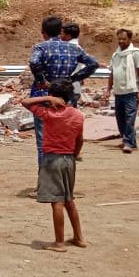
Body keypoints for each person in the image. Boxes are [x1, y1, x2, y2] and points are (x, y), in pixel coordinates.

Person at [21, 80, 86, 252]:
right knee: (69, 199)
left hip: (52, 159)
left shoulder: (49, 113)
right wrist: (74, 153)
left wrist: (48, 97)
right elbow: (80, 140)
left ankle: (59, 242)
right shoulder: (78, 115)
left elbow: (25, 102)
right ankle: (79, 237)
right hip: (69, 159)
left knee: (57, 200)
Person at [28, 16, 99, 166]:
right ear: (60, 31)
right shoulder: (73, 48)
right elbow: (93, 63)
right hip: (67, 97)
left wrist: (42, 81)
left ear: (43, 32)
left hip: (44, 97)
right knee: (67, 139)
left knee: (43, 141)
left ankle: (45, 179)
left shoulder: (41, 47)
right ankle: (65, 177)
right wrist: (72, 79)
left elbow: (34, 61)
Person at [108, 28, 139, 154]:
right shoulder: (116, 55)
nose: (121, 41)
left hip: (131, 91)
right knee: (120, 118)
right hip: (119, 91)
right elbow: (112, 73)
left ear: (129, 39)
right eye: (119, 39)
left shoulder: (135, 53)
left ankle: (129, 143)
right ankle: (127, 140)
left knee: (130, 118)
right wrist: (108, 89)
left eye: (123, 39)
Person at [60, 23, 85, 107]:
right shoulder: (79, 48)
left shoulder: (67, 49)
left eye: (62, 33)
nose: (60, 36)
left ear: (68, 36)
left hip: (66, 87)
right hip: (75, 87)